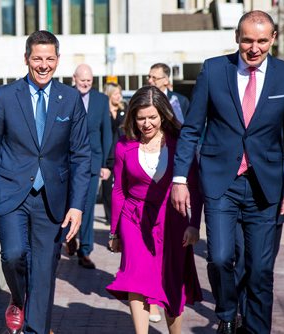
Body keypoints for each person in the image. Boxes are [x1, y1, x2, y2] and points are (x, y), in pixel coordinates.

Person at [170, 10, 284, 334]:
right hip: (221, 182)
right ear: (237, 37)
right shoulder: (214, 70)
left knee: (260, 269)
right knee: (219, 258)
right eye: (248, 39)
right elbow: (191, 130)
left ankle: (256, 329)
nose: (254, 47)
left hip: (266, 186)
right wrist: (179, 179)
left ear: (273, 39)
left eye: (262, 40)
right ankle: (228, 312)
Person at [0, 30, 91, 334]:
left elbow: (81, 157)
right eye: (37, 58)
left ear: (58, 60)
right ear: (26, 59)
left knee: (45, 271)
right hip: (11, 193)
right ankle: (19, 297)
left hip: (53, 199)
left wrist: (77, 207)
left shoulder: (70, 98)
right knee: (12, 255)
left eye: (50, 58)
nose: (44, 65)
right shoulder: (5, 97)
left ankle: (34, 330)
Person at [106, 86, 203, 334]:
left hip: (172, 219)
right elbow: (118, 191)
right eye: (141, 118)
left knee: (172, 279)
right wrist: (114, 232)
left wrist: (194, 225)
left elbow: (195, 184)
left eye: (152, 117)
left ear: (163, 115)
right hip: (134, 218)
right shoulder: (123, 146)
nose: (146, 123)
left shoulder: (179, 144)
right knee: (135, 278)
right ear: (133, 117)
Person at [65, 64, 112, 269]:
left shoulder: (101, 100)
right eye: (82, 79)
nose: (85, 84)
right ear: (74, 78)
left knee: (88, 208)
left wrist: (106, 164)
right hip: (67, 162)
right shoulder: (65, 97)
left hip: (93, 162)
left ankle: (85, 250)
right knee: (68, 204)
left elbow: (106, 133)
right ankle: (69, 237)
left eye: (89, 81)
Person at [101, 82, 127, 225]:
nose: (119, 96)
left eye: (120, 93)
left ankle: (120, 217)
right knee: (106, 189)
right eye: (116, 93)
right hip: (107, 153)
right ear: (109, 94)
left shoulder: (125, 109)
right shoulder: (103, 111)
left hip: (120, 151)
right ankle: (110, 218)